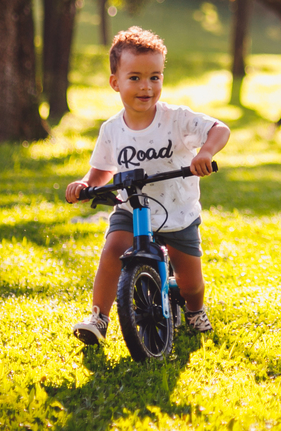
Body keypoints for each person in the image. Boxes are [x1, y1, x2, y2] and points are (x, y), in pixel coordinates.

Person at [65, 26, 230, 344]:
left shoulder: (176, 119)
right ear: (116, 82)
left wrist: (205, 152)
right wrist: (86, 185)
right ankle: (99, 317)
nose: (146, 86)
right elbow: (101, 170)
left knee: (190, 284)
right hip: (132, 208)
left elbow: (219, 129)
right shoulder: (112, 129)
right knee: (113, 250)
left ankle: (195, 311)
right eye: (135, 77)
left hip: (177, 211)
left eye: (155, 77)